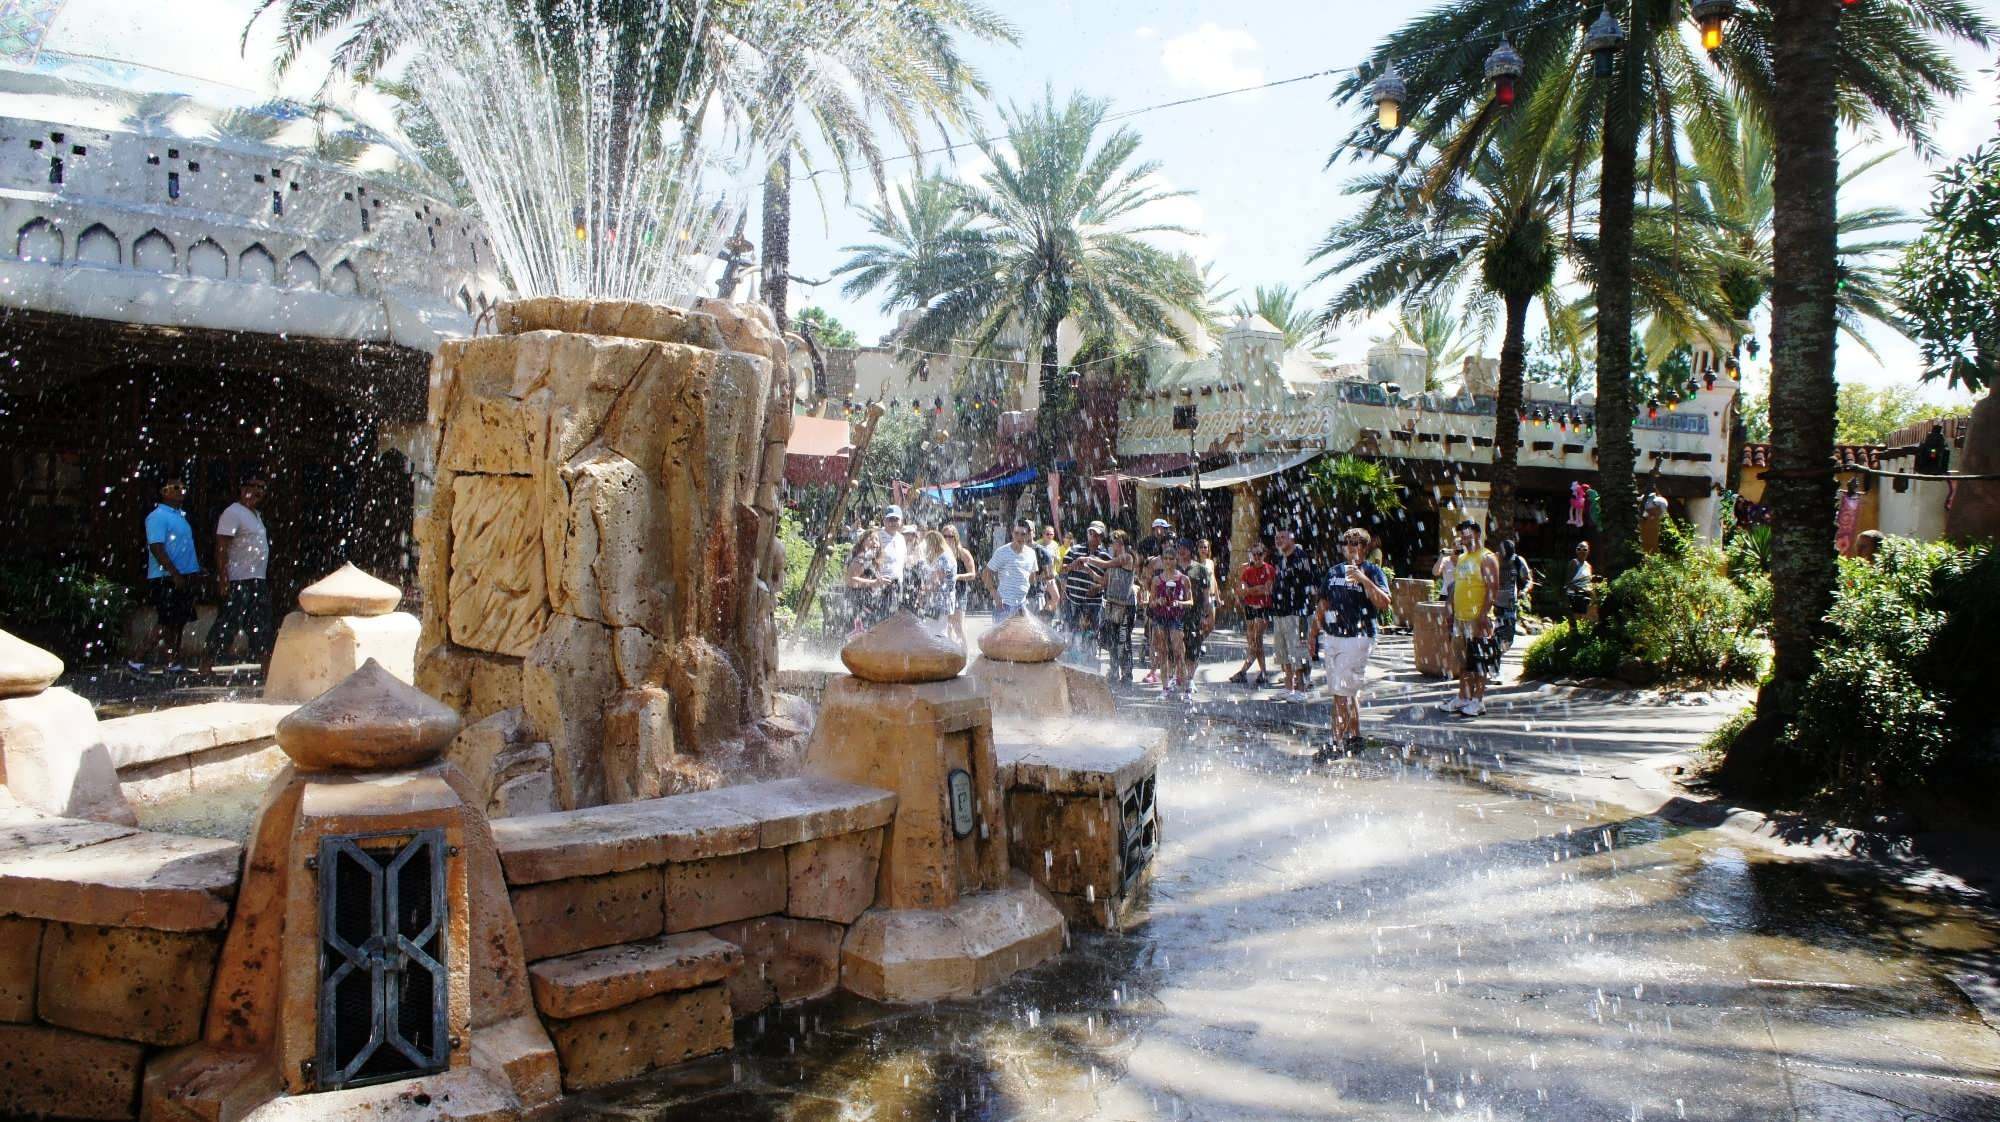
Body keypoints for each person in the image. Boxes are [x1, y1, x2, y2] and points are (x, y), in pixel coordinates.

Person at [1310, 528, 1389, 756]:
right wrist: (1313, 634)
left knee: (1341, 693)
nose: (1350, 548)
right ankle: (1355, 738)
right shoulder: (1334, 572)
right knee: (1346, 690)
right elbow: (1323, 604)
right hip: (1333, 636)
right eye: (1347, 543)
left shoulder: (1372, 571)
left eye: (1355, 543)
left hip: (1358, 637)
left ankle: (1335, 743)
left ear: (1364, 548)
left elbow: (1384, 603)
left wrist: (1364, 580)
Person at [207, 476, 274, 674]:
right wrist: (223, 578)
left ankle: (267, 667)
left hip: (257, 579)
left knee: (262, 624)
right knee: (228, 623)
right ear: (243, 488)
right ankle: (206, 663)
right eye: (254, 486)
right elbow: (221, 547)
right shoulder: (233, 512)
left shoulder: (256, 514)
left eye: (262, 487)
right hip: (239, 579)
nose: (258, 491)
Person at [136, 478, 203, 674]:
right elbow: (156, 547)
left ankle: (172, 662)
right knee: (165, 622)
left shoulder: (181, 516)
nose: (181, 491)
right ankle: (136, 659)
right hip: (166, 577)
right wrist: (174, 573)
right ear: (164, 491)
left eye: (183, 487)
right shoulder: (157, 516)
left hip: (184, 575)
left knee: (178, 622)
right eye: (176, 488)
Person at [1439, 520, 1502, 718]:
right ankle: (1463, 696)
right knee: (1464, 662)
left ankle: (1478, 701)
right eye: (1461, 535)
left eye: (1467, 534)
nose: (1464, 538)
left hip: (1477, 619)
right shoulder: (1463, 558)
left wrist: (1483, 615)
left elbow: (1493, 589)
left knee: (1479, 660)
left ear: (1477, 534)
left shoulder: (1487, 558)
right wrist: (1450, 611)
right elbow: (1457, 586)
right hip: (1460, 618)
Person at [1269, 527, 1319, 703]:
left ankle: (1302, 689)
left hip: (1298, 613)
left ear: (1292, 539)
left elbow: (1313, 584)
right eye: (1276, 537)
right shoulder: (1280, 559)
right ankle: (1288, 687)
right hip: (1280, 612)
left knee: (1299, 652)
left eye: (1282, 537)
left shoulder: (1302, 558)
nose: (1278, 540)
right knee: (1283, 652)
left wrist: (1308, 609)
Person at [1148, 544, 1194, 699]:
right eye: (1166, 558)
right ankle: (1165, 688)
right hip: (1160, 617)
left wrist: (1180, 603)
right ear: (1162, 560)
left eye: (1171, 558)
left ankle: (1186, 689)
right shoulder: (1156, 580)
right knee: (1163, 653)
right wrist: (1158, 601)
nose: (1168, 561)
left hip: (1175, 617)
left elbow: (1191, 601)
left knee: (1179, 652)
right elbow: (1151, 603)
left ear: (1176, 560)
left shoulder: (1184, 579)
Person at [1062, 522, 1110, 663]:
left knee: (1091, 635)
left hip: (1093, 603)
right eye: (1091, 533)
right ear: (1088, 533)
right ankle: (1074, 664)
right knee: (1073, 633)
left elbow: (1108, 581)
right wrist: (1072, 565)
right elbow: (1062, 569)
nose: (1094, 537)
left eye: (1097, 535)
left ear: (1102, 537)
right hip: (1074, 600)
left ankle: (1089, 663)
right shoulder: (1074, 550)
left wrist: (1098, 587)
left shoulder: (1105, 556)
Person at [1228, 541, 1276, 686]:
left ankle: (1247, 671)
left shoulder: (1269, 569)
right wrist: (1255, 589)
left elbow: (1267, 590)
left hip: (1263, 607)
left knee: (1257, 639)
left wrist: (1249, 590)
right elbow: (1241, 591)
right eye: (1254, 554)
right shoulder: (1247, 571)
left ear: (1264, 554)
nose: (1256, 557)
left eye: (1259, 554)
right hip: (1249, 607)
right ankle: (1260, 673)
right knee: (1253, 642)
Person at [983, 519, 1047, 622]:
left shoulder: (1031, 554)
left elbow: (1032, 578)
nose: (1019, 537)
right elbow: (986, 573)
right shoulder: (1002, 552)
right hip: (1004, 604)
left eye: (1023, 534)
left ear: (1028, 536)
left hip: (1022, 605)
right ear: (1012, 534)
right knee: (1002, 633)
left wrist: (1043, 578)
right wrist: (994, 594)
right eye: (1016, 533)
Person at [1099, 530, 1140, 683]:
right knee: (1112, 640)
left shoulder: (1127, 557)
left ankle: (1127, 674)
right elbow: (1103, 582)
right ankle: (1114, 671)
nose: (1111, 544)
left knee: (1123, 640)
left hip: (1125, 607)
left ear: (1120, 542)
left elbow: (1104, 564)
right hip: (1112, 605)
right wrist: (1087, 570)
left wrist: (1087, 559)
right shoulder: (1114, 561)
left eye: (1113, 541)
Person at [844, 532, 891, 633]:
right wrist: (874, 582)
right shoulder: (861, 558)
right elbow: (851, 580)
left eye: (877, 539)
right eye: (870, 539)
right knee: (858, 636)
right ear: (862, 542)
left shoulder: (871, 559)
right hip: (858, 604)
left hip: (867, 604)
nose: (874, 542)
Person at [1492, 538, 1534, 650]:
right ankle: (1496, 653)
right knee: (1497, 637)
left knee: (1508, 639)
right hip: (1494, 605)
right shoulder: (1493, 560)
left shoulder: (1517, 561)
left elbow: (1528, 580)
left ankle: (1500, 650)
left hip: (1510, 605)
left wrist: (1524, 591)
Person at [1182, 540, 1217, 672]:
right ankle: (1179, 675)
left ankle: (1190, 676)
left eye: (1185, 548)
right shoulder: (1176, 567)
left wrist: (1205, 614)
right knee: (1178, 645)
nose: (1182, 551)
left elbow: (1211, 584)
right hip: (1179, 612)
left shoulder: (1202, 568)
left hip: (1195, 611)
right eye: (1180, 548)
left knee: (1193, 644)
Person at [941, 525, 977, 648]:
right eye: (945, 536)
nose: (947, 539)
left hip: (959, 592)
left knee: (958, 626)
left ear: (956, 537)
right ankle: (952, 652)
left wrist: (957, 577)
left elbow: (973, 574)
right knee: (948, 625)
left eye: (950, 536)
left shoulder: (962, 553)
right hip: (945, 592)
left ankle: (965, 652)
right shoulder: (941, 552)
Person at [917, 530, 957, 620]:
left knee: (935, 628)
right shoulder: (946, 555)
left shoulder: (943, 558)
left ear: (932, 544)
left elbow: (936, 582)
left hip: (939, 603)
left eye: (927, 544)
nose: (926, 548)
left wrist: (921, 591)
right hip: (943, 601)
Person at [1564, 541, 1594, 621]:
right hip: (1574, 597)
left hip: (1585, 597)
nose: (1581, 551)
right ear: (1576, 551)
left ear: (1588, 551)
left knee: (1584, 620)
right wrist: (1582, 589)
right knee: (1576, 620)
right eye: (1579, 549)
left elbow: (1589, 582)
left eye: (1584, 549)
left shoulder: (1588, 566)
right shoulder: (1574, 563)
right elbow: (1568, 582)